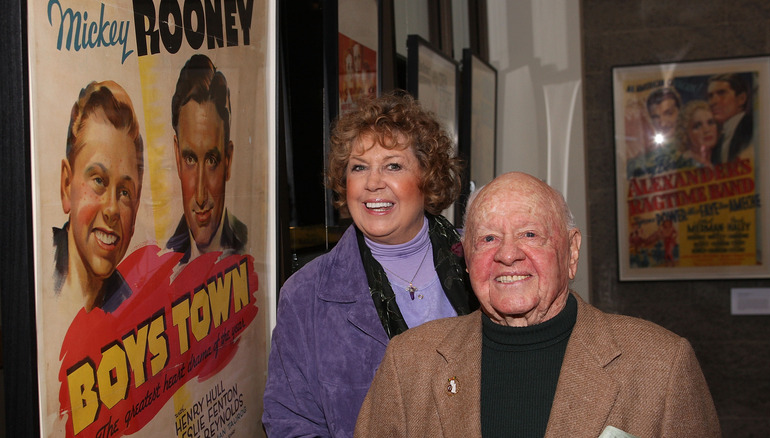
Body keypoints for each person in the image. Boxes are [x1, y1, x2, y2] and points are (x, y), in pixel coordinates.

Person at [355, 172, 721, 438]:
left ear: (571, 251)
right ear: (466, 258)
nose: (508, 254)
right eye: (487, 238)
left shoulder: (661, 365)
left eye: (530, 234)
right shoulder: (409, 363)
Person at [263, 91, 479, 437]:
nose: (373, 183)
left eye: (393, 165)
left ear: (427, 176)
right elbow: (290, 422)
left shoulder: (483, 261)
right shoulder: (307, 296)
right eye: (358, 167)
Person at [54, 80, 144, 313]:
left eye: (125, 192)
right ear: (66, 185)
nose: (112, 209)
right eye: (98, 181)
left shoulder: (135, 313)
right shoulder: (37, 275)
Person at [167, 54, 247, 264]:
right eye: (190, 159)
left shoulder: (247, 243)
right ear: (177, 157)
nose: (201, 196)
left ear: (228, 160)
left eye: (212, 160)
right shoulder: (164, 260)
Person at [707, 73, 753, 164]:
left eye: (721, 93)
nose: (713, 102)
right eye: (710, 96)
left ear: (741, 99)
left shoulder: (754, 128)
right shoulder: (717, 143)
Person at [677, 100, 720, 167]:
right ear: (685, 133)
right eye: (697, 126)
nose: (706, 130)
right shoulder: (685, 164)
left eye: (710, 122)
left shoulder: (719, 159)